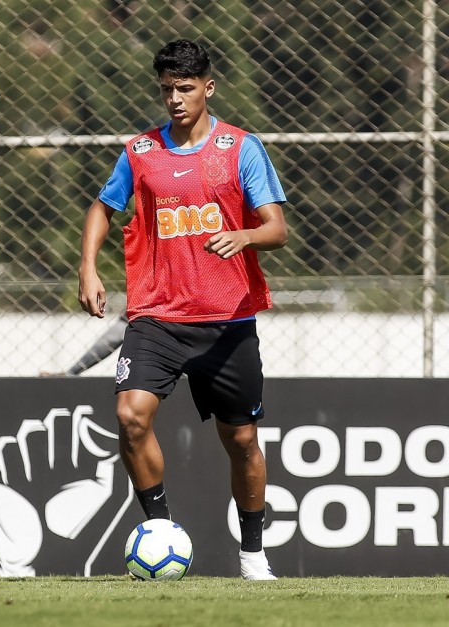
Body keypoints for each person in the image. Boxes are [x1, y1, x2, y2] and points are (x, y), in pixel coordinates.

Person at [77, 39, 287, 580]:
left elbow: (276, 228)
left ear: (208, 88)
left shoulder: (242, 148)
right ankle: (161, 531)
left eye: (185, 88)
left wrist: (243, 236)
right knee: (130, 417)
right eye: (167, 88)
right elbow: (102, 207)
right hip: (156, 317)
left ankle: (253, 555)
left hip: (227, 322)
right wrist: (88, 268)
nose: (174, 98)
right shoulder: (140, 153)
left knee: (242, 441)